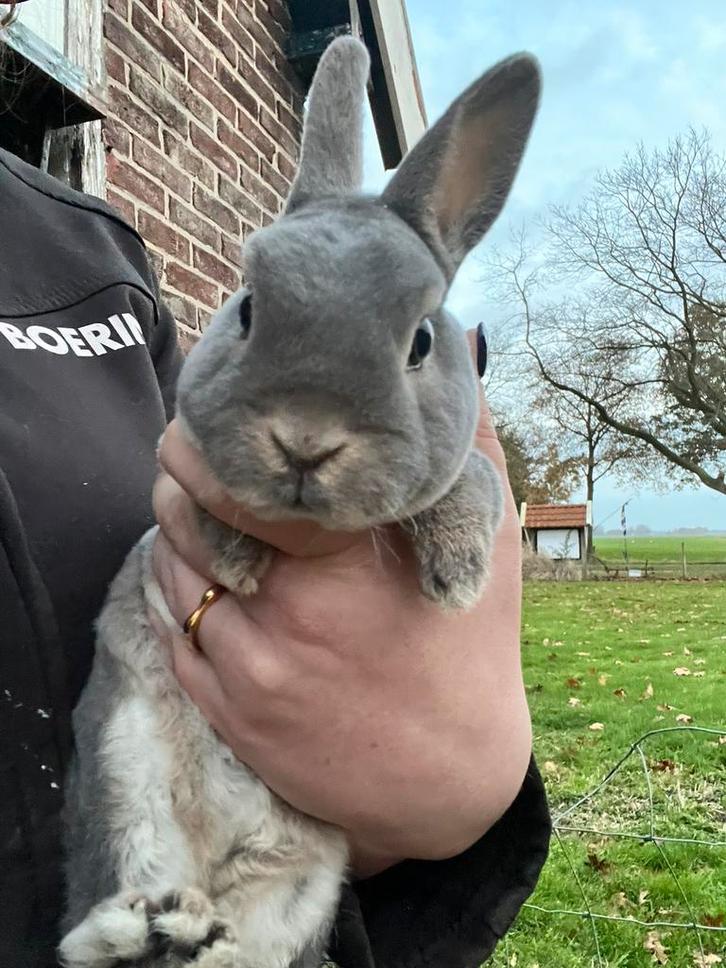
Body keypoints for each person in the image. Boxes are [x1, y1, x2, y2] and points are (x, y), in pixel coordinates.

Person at [0, 87, 549, 968]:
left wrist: (456, 787)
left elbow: (462, 497)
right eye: (255, 315)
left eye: (413, 346)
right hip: (145, 782)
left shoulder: (95, 256)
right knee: (132, 764)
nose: (306, 434)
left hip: (296, 846)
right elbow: (189, 494)